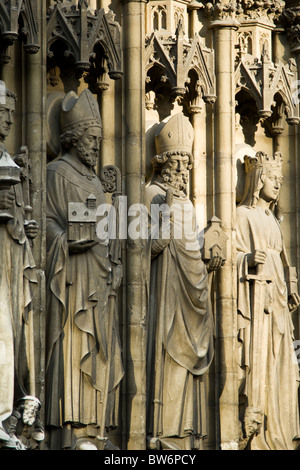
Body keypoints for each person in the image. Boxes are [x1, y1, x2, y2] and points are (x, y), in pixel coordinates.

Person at [45, 89, 123, 450]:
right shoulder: (55, 173)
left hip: (100, 279)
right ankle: (70, 426)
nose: (96, 145)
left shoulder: (95, 181)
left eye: (99, 139)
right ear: (73, 139)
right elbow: (43, 223)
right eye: (92, 138)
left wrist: (116, 262)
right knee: (74, 346)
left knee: (103, 350)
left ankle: (95, 426)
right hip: (72, 278)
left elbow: (107, 229)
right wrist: (65, 241)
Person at [145, 113, 221, 450]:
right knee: (167, 358)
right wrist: (165, 219)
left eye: (185, 165)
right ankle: (161, 432)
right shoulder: (150, 195)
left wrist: (209, 255)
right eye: (175, 163)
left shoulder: (188, 205)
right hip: (164, 292)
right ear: (161, 164)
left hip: (190, 293)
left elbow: (192, 249)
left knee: (188, 366)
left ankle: (187, 432)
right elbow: (142, 249)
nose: (180, 171)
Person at [236, 151, 300, 450]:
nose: (278, 185)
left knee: (283, 365)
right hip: (257, 303)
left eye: (281, 180)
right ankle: (259, 435)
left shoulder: (273, 220)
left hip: (278, 304)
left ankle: (280, 431)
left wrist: (291, 287)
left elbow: (284, 259)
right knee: (263, 363)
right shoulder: (242, 215)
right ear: (259, 178)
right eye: (273, 178)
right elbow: (231, 256)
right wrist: (246, 260)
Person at [0, 83, 38, 447]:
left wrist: (26, 228)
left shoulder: (8, 158)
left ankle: (11, 412)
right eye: (3, 112)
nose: (10, 119)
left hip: (12, 254)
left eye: (12, 112)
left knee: (13, 331)